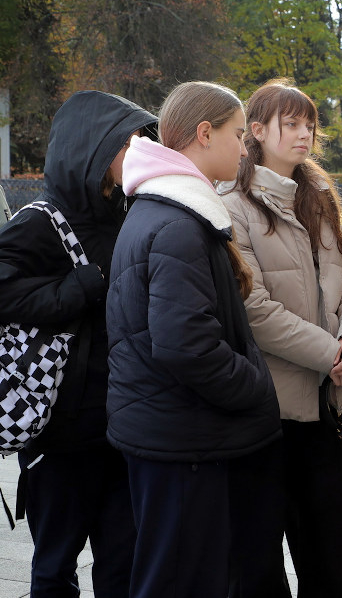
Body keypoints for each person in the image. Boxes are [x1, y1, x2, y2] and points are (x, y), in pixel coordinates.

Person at [106, 81, 282, 598]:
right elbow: (187, 345)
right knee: (180, 580)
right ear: (204, 134)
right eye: (236, 133)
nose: (245, 147)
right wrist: (256, 386)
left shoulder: (163, 210)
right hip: (181, 441)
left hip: (173, 434)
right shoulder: (178, 223)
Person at [219, 78, 342, 598]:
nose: (305, 133)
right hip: (268, 412)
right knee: (260, 562)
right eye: (291, 123)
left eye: (309, 122)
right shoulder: (233, 204)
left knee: (331, 553)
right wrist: (330, 350)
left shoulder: (319, 197)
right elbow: (254, 310)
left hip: (326, 409)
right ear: (257, 131)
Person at [0, 91, 156, 597]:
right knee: (53, 569)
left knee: (123, 565)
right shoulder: (39, 221)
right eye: (126, 142)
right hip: (60, 436)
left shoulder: (127, 214)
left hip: (120, 429)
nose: (135, 151)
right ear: (92, 149)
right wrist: (76, 289)